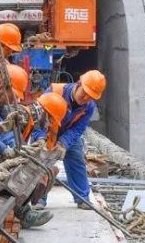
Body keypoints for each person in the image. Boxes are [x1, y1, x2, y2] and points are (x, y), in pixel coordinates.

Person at [45, 70, 106, 209]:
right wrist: (41, 140)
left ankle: (82, 198)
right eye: (84, 92)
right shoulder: (55, 91)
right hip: (48, 131)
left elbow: (78, 129)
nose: (85, 98)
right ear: (78, 84)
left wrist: (63, 143)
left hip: (68, 133)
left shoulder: (89, 107)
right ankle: (39, 200)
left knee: (76, 158)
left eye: (90, 96)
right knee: (43, 163)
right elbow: (38, 119)